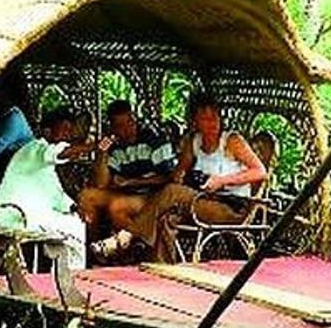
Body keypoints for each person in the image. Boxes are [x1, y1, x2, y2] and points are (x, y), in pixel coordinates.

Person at [91, 92, 267, 262]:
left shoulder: (232, 141)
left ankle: (125, 236)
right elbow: (178, 174)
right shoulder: (194, 141)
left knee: (172, 193)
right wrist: (182, 175)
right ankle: (161, 266)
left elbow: (260, 172)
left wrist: (222, 180)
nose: (212, 123)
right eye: (205, 119)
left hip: (231, 207)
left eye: (215, 117)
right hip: (202, 200)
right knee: (166, 218)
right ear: (195, 122)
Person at [0, 107, 94, 269]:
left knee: (75, 221)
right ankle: (73, 274)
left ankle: (66, 273)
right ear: (47, 132)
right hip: (16, 217)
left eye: (70, 130)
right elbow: (58, 153)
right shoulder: (34, 149)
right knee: (74, 226)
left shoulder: (44, 165)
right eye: (64, 130)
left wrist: (75, 207)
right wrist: (93, 147)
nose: (68, 135)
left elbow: (56, 194)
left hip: (30, 216)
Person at [76, 99, 177, 235]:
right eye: (119, 126)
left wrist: (132, 182)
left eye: (128, 123)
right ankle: (92, 248)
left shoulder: (154, 141)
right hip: (126, 193)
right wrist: (102, 153)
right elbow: (101, 183)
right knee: (87, 196)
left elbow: (169, 177)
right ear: (112, 128)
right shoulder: (116, 148)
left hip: (152, 196)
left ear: (134, 120)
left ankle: (135, 245)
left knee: (118, 206)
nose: (125, 129)